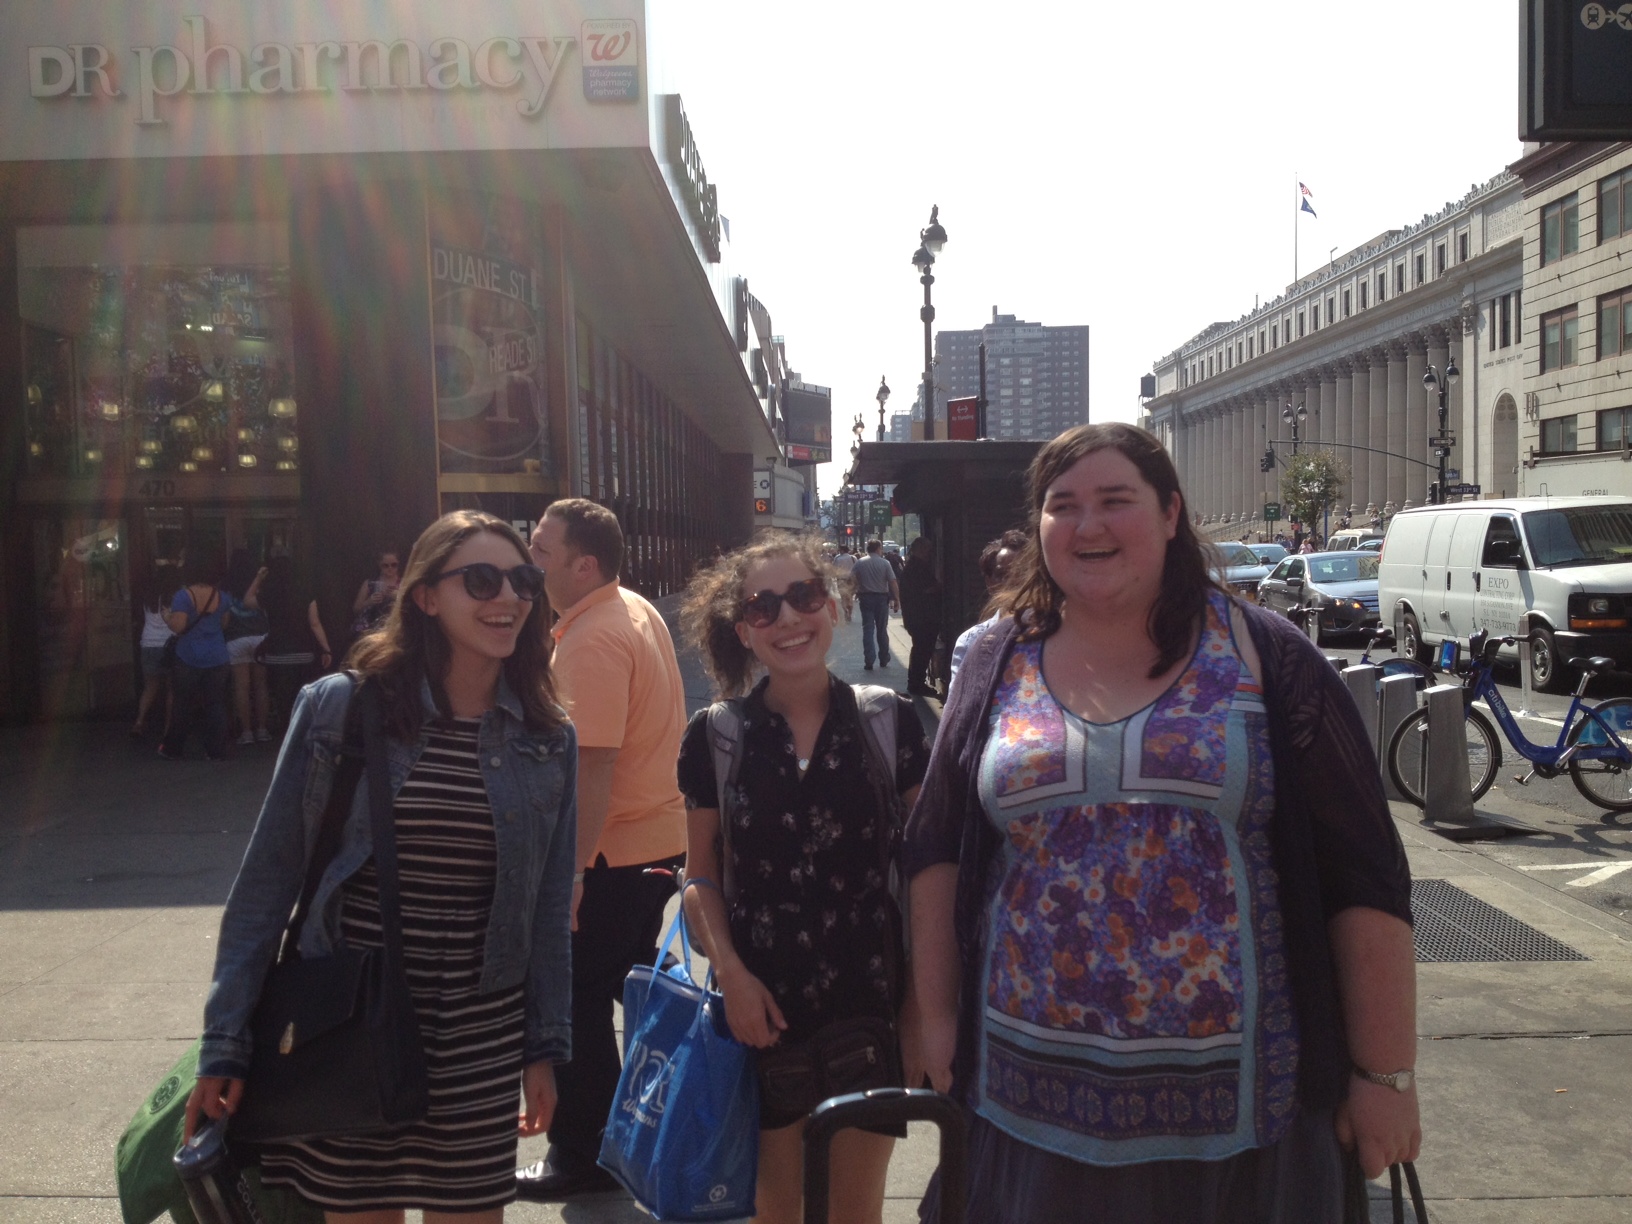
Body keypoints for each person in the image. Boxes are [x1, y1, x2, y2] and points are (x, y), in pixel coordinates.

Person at [906, 423, 1419, 1224]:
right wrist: (935, 1019)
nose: (1089, 525)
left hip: (1242, 1130)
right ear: (1040, 527)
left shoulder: (1266, 655)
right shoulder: (994, 661)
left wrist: (1384, 1077)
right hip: (1023, 1111)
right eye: (1063, 506)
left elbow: (1367, 876)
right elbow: (936, 846)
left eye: (1117, 501)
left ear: (1172, 513)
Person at [185, 510, 577, 1220]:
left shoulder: (546, 736)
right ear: (426, 597)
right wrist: (226, 1041)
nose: (509, 599)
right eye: (481, 580)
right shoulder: (342, 708)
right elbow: (267, 883)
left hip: (478, 1029)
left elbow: (547, 906)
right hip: (351, 1018)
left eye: (522, 579)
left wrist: (542, 1047)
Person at [675, 534, 930, 1224]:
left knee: (854, 1212)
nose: (787, 618)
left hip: (869, 1007)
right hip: (759, 1014)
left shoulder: (891, 722)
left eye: (803, 597)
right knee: (775, 1210)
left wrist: (920, 1012)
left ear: (834, 606)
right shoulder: (716, 736)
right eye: (764, 606)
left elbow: (930, 874)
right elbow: (699, 876)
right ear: (744, 633)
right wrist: (730, 974)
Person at [519, 499, 687, 1200]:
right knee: (607, 995)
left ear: (584, 566)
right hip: (649, 841)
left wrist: (574, 871)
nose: (530, 565)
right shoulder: (631, 610)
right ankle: (616, 1142)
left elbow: (592, 763)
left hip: (611, 853)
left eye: (541, 554)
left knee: (576, 1005)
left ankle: (583, 1155)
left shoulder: (591, 639)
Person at [158, 553, 233, 761]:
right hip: (218, 656)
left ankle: (173, 748)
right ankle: (216, 750)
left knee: (182, 703)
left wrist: (167, 618)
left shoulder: (183, 596)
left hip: (188, 656)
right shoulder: (223, 597)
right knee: (215, 703)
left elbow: (179, 626)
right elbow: (224, 625)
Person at [257, 555, 334, 733]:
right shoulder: (305, 591)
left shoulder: (268, 592)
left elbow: (247, 600)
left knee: (281, 694)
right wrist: (326, 649)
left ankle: (286, 730)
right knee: (301, 693)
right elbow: (314, 623)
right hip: (303, 650)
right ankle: (301, 729)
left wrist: (258, 578)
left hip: (277, 651)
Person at [946, 529, 1027, 689]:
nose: (1013, 582)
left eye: (1022, 574)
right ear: (989, 582)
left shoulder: (1059, 637)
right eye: (1003, 575)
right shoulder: (971, 642)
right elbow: (958, 708)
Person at [223, 548, 270, 745]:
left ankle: (247, 732)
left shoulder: (226, 586)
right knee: (261, 686)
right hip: (260, 637)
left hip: (236, 638)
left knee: (241, 687)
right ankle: (263, 729)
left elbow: (224, 617)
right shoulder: (261, 584)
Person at [132, 562, 179, 739]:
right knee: (171, 689)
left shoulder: (148, 596)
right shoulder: (174, 597)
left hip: (148, 644)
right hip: (168, 646)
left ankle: (139, 721)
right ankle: (167, 728)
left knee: (150, 687)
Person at [897, 537, 943, 697]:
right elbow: (922, 591)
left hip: (916, 617)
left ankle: (916, 681)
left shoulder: (912, 566)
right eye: (927, 550)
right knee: (921, 650)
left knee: (920, 649)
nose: (929, 553)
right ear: (919, 549)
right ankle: (916, 683)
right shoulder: (917, 568)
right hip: (922, 617)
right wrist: (936, 588)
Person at [851, 539, 899, 672]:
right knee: (882, 629)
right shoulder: (885, 563)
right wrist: (897, 599)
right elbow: (892, 582)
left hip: (865, 598)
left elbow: (852, 578)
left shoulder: (860, 562)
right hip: (881, 598)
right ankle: (884, 658)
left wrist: (856, 589)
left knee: (868, 629)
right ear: (878, 548)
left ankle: (869, 660)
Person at [351, 548, 403, 638]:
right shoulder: (370, 583)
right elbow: (356, 609)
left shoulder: (404, 583)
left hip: (394, 628)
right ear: (379, 565)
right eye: (385, 566)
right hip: (370, 629)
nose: (390, 568)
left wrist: (397, 596)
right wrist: (369, 602)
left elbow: (412, 608)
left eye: (394, 565)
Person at [832, 543, 858, 623]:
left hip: (841, 580)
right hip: (851, 580)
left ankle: (845, 611)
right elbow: (857, 568)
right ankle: (850, 613)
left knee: (843, 598)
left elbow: (834, 569)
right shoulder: (853, 558)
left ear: (842, 550)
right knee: (850, 597)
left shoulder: (837, 558)